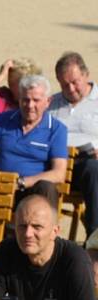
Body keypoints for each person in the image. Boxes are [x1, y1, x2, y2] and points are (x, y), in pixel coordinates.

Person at [0, 74, 68, 207]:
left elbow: (59, 173)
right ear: (19, 99)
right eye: (25, 99)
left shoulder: (57, 129)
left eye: (36, 100)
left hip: (31, 190)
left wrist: (21, 182)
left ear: (48, 101)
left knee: (46, 188)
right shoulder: (3, 120)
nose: (30, 105)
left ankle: (42, 226)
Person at [48, 52, 98, 236]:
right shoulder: (50, 104)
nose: (70, 88)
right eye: (64, 84)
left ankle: (95, 239)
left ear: (86, 74)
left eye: (74, 81)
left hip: (89, 164)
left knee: (94, 169)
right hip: (57, 163)